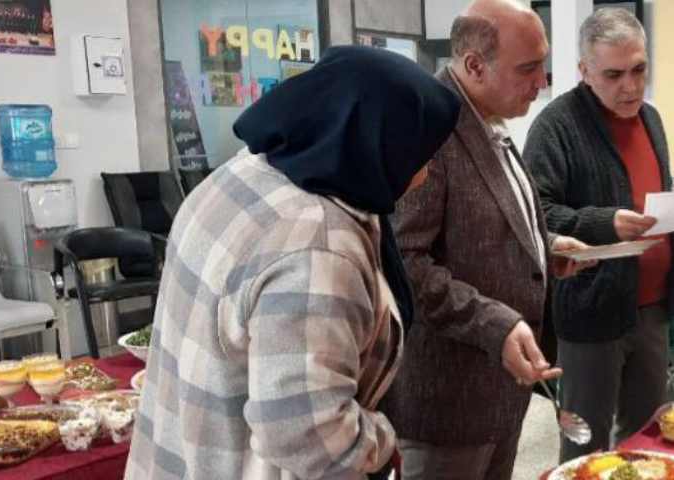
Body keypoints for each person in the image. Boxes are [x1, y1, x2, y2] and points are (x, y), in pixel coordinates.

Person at [124, 46, 461, 480]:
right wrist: (380, 442)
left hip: (176, 456)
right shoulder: (318, 246)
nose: (426, 173)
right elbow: (306, 434)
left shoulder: (241, 175)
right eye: (421, 155)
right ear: (377, 143)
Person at [377, 1, 593, 479]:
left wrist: (546, 248)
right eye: (528, 68)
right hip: (448, 404)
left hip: (499, 395)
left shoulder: (487, 117)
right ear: (475, 66)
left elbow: (491, 221)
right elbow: (403, 261)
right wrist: (494, 322)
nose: (542, 82)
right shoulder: (430, 130)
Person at [523, 7, 672, 461]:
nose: (631, 86)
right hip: (590, 318)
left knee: (648, 443)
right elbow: (533, 214)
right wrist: (604, 222)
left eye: (639, 69)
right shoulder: (555, 126)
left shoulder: (650, 119)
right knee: (584, 449)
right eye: (613, 74)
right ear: (584, 71)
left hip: (652, 311)